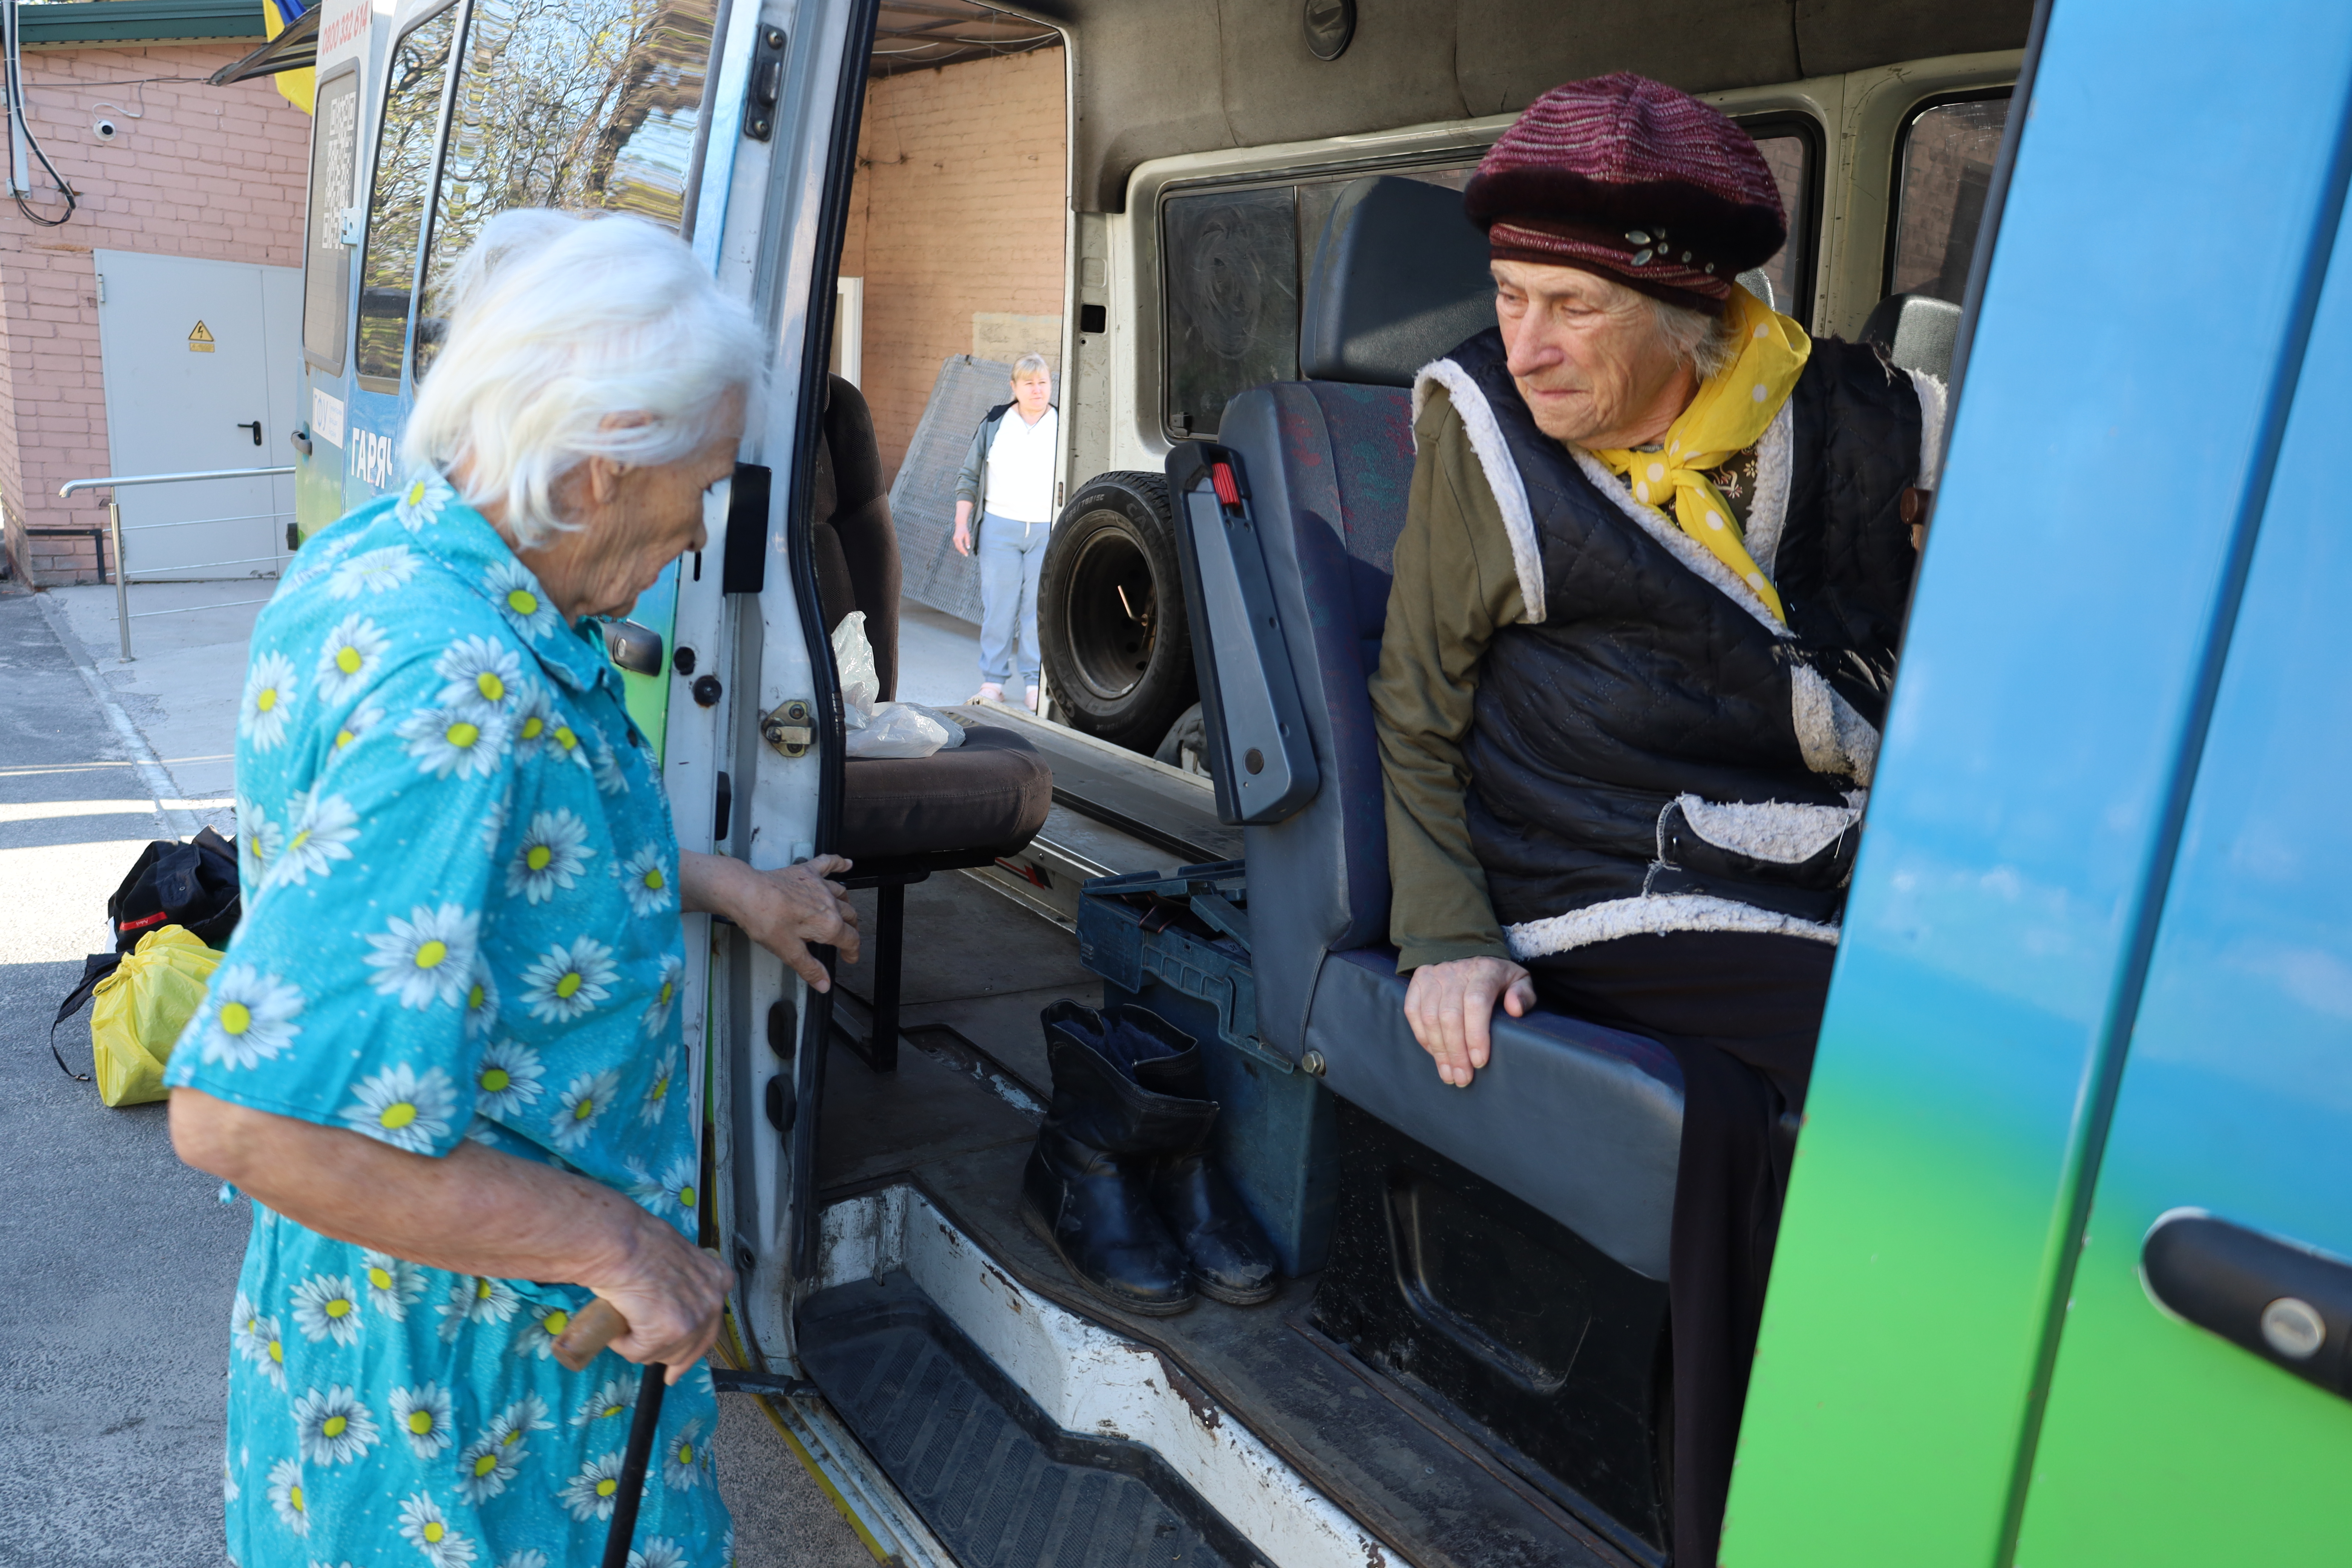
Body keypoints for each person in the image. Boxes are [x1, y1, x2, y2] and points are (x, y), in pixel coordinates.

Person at [165, 209, 862, 1568]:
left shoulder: (395, 563)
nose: (699, 531)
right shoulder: (456, 690)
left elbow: (501, 883)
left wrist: (727, 887)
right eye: (701, 483)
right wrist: (618, 1244)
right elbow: (249, 1122)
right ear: (599, 463)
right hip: (462, 1419)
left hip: (415, 1353)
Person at [1370, 74, 1940, 1566]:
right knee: (1931, 1074)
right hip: (1608, 867)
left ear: (1691, 317)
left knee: (1903, 1057)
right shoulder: (1482, 438)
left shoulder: (1855, 420)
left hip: (1827, 854)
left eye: (1570, 306)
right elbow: (1416, 709)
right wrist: (1443, 935)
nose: (1525, 341)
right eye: (1509, 295)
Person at [951, 352, 1059, 710]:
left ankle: (1034, 682)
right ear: (1014, 387)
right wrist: (961, 523)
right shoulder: (996, 423)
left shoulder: (1063, 423)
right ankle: (993, 681)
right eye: (1028, 383)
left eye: (1043, 382)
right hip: (999, 529)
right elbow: (969, 477)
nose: (1037, 389)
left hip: (1047, 530)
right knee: (999, 607)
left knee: (1036, 608)